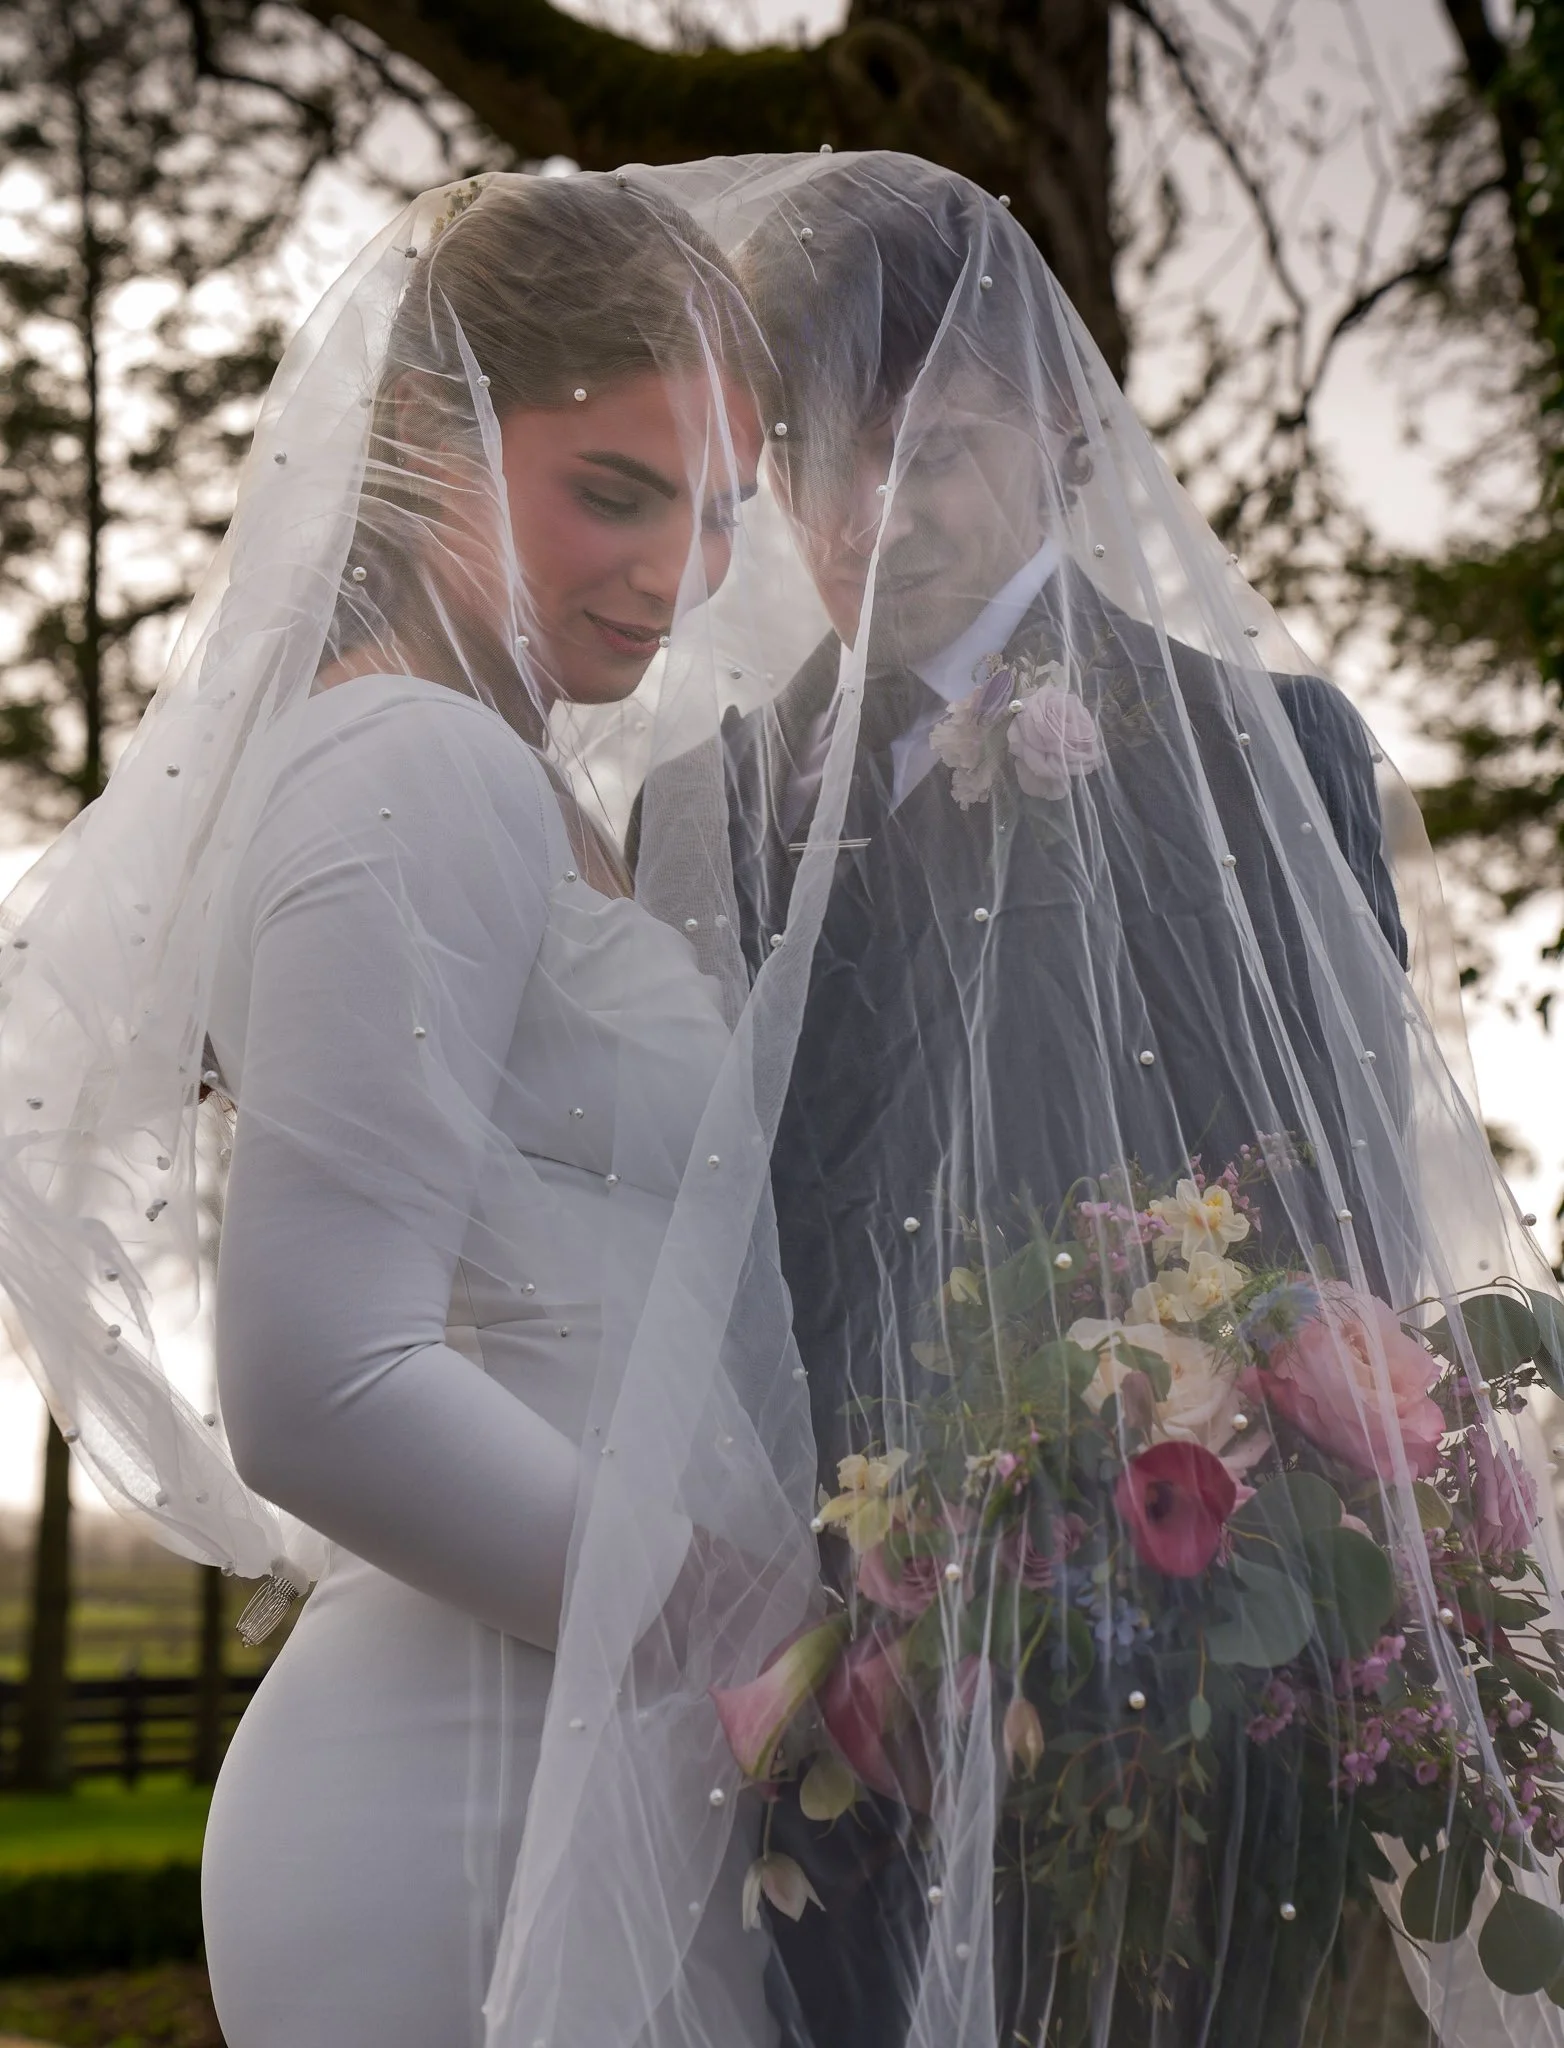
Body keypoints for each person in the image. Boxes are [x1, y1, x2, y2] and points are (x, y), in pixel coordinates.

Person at [1, 153, 1560, 2048]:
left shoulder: (1229, 762)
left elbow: (1345, 1253)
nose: (849, 523)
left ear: (1061, 439)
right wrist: (808, 1647)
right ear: (439, 437)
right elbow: (334, 1370)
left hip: (1076, 1743)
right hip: (644, 1746)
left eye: (934, 455)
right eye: (792, 465)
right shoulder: (654, 808)